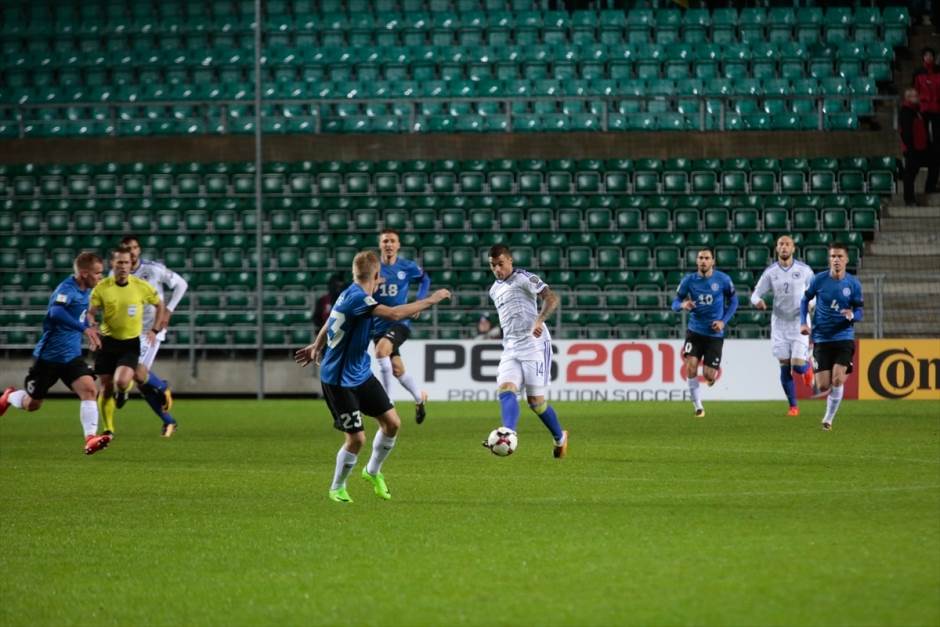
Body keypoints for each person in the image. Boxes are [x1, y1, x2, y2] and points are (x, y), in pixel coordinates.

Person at [294, 251, 450, 503]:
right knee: (356, 439)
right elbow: (395, 314)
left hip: (361, 373)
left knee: (392, 423)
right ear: (377, 276)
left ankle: (372, 471)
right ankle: (337, 486)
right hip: (338, 380)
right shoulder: (357, 298)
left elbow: (330, 320)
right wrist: (432, 299)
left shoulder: (349, 293)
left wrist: (316, 345)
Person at [0, 253, 112, 455]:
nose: (100, 277)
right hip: (48, 357)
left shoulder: (89, 290)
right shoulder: (66, 289)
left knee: (89, 390)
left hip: (71, 356)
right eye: (97, 273)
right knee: (32, 404)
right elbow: (56, 313)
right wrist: (84, 329)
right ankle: (9, 397)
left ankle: (90, 438)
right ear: (84, 273)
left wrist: (90, 326)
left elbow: (80, 316)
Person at [483, 244, 568, 458]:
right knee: (506, 389)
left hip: (534, 345)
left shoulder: (525, 278)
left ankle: (560, 438)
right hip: (511, 347)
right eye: (493, 265)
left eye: (500, 264)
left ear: (510, 261)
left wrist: (539, 320)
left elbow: (551, 298)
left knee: (536, 403)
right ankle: (508, 432)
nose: (497, 269)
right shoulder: (494, 290)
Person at [89, 246, 166, 439]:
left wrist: (155, 329)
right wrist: (92, 327)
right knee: (106, 388)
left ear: (131, 264)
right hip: (107, 343)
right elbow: (90, 312)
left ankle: (123, 392)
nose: (123, 266)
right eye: (119, 262)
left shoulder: (140, 286)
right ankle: (109, 429)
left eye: (126, 262)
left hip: (130, 343)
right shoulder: (102, 287)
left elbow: (159, 305)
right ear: (112, 264)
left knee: (122, 382)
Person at [118, 235, 187, 437]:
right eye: (127, 248)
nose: (131, 251)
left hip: (151, 330)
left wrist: (169, 311)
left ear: (139, 250)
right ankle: (169, 421)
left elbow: (181, 284)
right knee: (140, 379)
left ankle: (162, 387)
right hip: (128, 332)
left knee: (137, 373)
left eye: (135, 247)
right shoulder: (118, 275)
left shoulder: (153, 269)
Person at [370, 228, 432, 424]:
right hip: (378, 325)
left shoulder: (407, 266)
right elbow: (362, 289)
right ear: (380, 245)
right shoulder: (373, 268)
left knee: (381, 351)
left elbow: (425, 279)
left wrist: (419, 301)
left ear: (398, 245)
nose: (388, 244)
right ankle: (418, 397)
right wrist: (372, 285)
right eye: (385, 241)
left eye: (392, 241)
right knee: (397, 369)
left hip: (400, 322)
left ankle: (387, 402)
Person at [800, 242, 863, 431]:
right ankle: (814, 363)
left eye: (840, 257)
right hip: (821, 338)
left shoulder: (853, 284)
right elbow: (805, 300)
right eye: (833, 256)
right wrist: (803, 322)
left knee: (837, 380)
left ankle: (828, 419)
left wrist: (853, 315)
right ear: (829, 259)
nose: (836, 260)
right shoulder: (819, 280)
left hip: (844, 336)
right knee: (823, 384)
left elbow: (859, 309)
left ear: (846, 260)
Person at [750, 235, 815, 416]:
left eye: (787, 244)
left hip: (799, 322)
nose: (784, 247)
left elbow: (815, 291)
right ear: (777, 248)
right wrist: (757, 301)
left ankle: (807, 367)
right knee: (784, 365)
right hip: (779, 324)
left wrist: (811, 303)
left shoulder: (804, 270)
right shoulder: (771, 272)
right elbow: (755, 294)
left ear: (793, 248)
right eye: (781, 244)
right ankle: (793, 406)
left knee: (797, 365)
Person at [671, 247, 738, 418]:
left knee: (708, 375)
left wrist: (723, 321)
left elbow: (734, 301)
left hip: (714, 334)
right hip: (695, 331)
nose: (703, 261)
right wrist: (682, 305)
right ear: (696, 261)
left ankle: (711, 378)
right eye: (700, 258)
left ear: (713, 261)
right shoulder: (689, 281)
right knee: (691, 366)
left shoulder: (723, 279)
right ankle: (698, 407)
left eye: (707, 258)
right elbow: (675, 302)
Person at [900, 87, 939, 206]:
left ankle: (930, 187)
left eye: (917, 95)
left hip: (922, 148)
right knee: (910, 175)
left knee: (935, 162)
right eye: (914, 96)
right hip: (912, 150)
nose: (917, 98)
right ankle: (909, 199)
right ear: (907, 98)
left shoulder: (917, 111)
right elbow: (906, 133)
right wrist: (911, 149)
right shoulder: (906, 112)